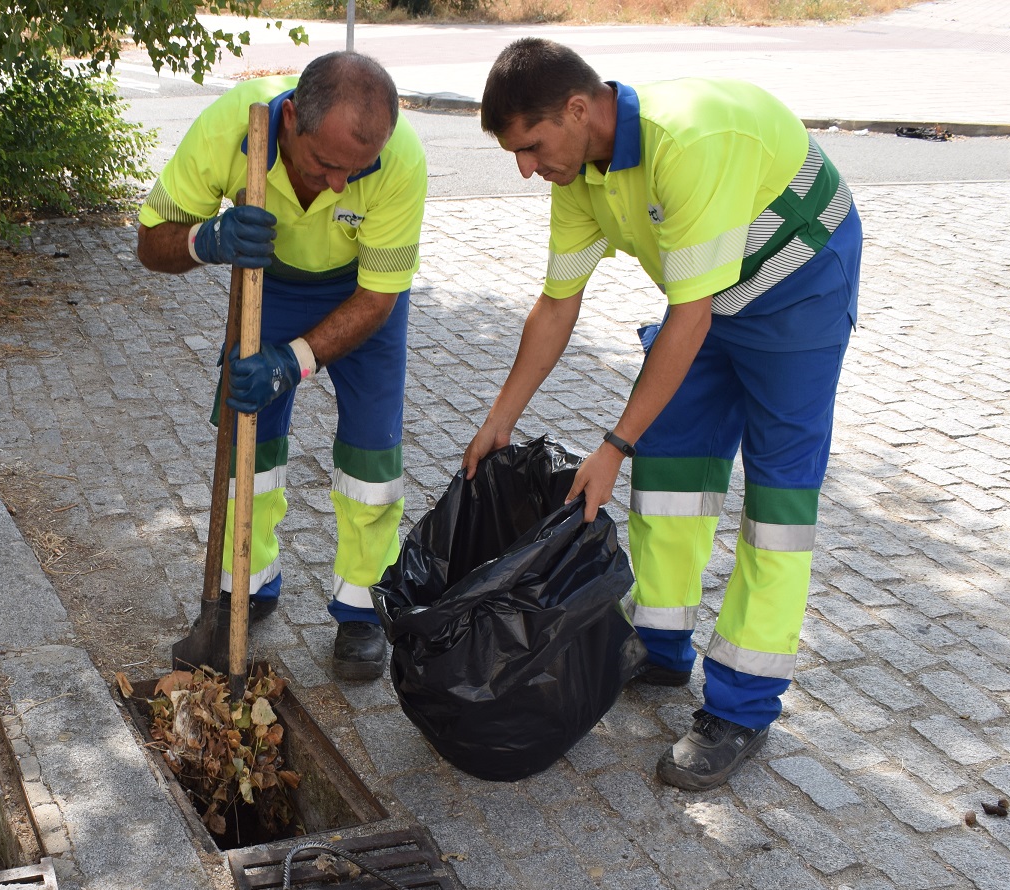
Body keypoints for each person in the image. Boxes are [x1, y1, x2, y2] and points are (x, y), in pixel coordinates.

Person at [462, 39, 861, 790]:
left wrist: (612, 444)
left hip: (798, 281)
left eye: (532, 145)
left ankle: (741, 708)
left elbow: (689, 317)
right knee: (672, 466)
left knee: (777, 501)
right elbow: (557, 304)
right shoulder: (579, 173)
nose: (525, 166)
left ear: (579, 110)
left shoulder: (689, 145)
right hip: (706, 298)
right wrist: (500, 417)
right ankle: (661, 643)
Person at [136, 51, 427, 681]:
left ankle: (361, 610)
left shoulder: (400, 158)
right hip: (265, 283)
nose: (341, 185)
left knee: (372, 457)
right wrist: (203, 240)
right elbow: (150, 240)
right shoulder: (231, 130)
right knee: (248, 439)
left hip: (361, 295)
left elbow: (379, 297)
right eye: (326, 164)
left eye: (358, 170)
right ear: (291, 117)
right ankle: (245, 585)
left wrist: (292, 362)